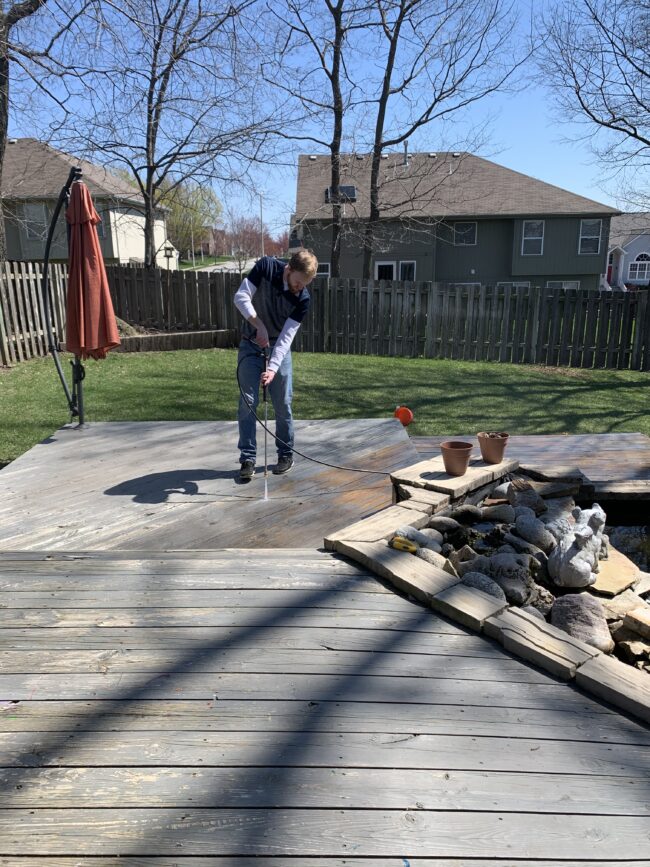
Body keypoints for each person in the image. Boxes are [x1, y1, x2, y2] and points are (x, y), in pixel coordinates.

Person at [234, 249, 318, 481]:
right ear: (288, 269)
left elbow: (286, 338)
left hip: (278, 349)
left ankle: (285, 454)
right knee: (248, 402)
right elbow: (240, 297)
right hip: (250, 345)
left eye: (305, 284)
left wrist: (272, 368)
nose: (300, 288)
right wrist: (257, 324)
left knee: (282, 403)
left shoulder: (302, 299)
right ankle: (248, 458)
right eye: (298, 282)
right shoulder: (266, 267)